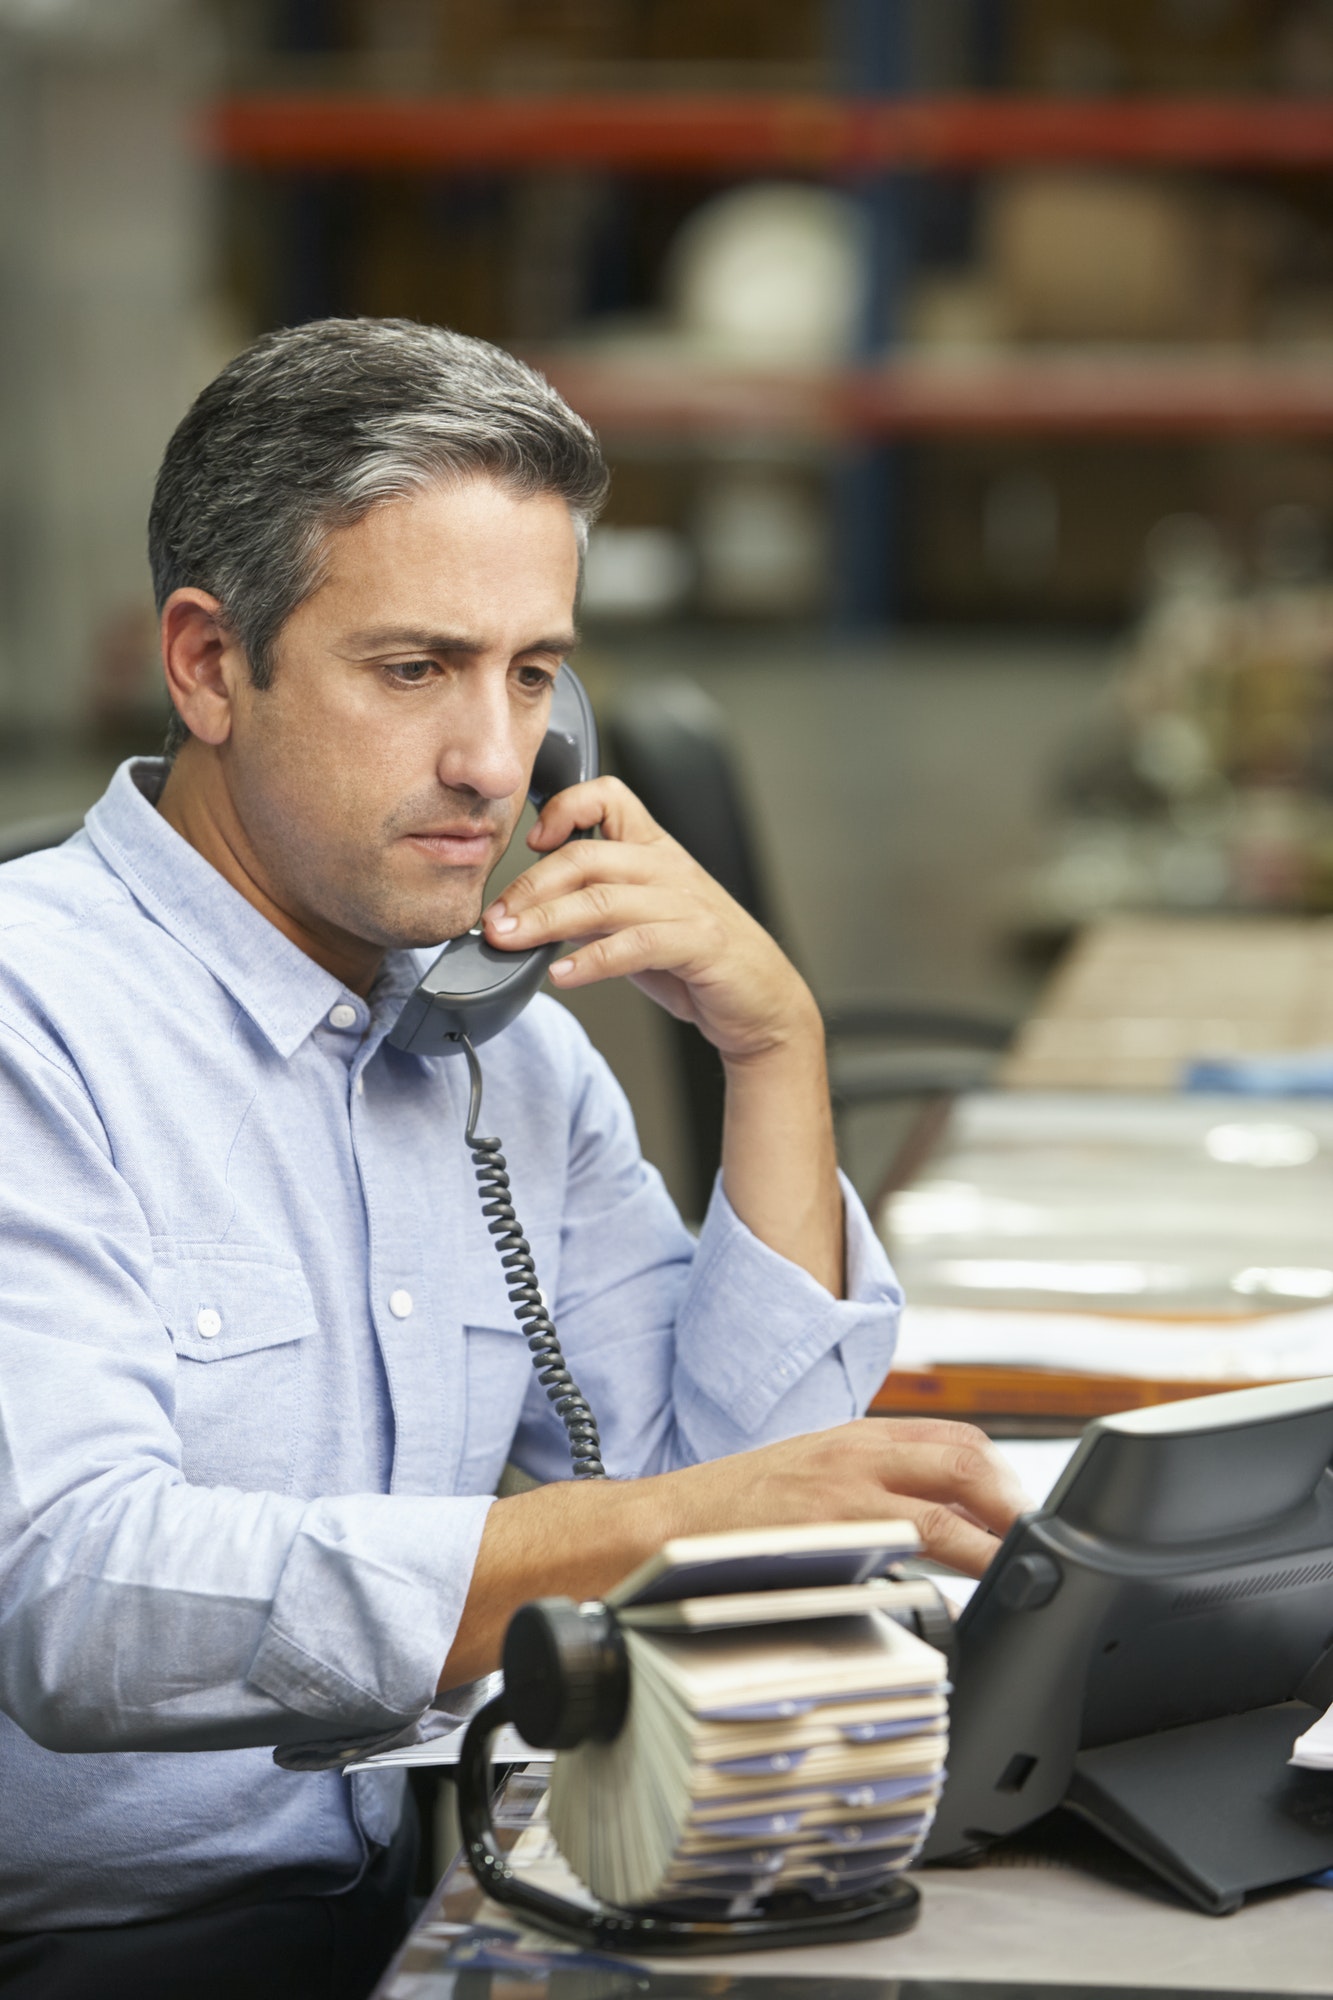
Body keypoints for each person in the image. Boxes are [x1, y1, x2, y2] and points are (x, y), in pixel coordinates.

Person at [0, 318, 1024, 1997]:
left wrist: (774, 1053)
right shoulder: (31, 1022)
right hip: (107, 1956)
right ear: (207, 665)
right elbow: (78, 1597)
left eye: (532, 673)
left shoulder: (506, 1054)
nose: (492, 760)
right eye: (414, 670)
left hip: (431, 1892)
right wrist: (654, 1531)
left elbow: (753, 1522)